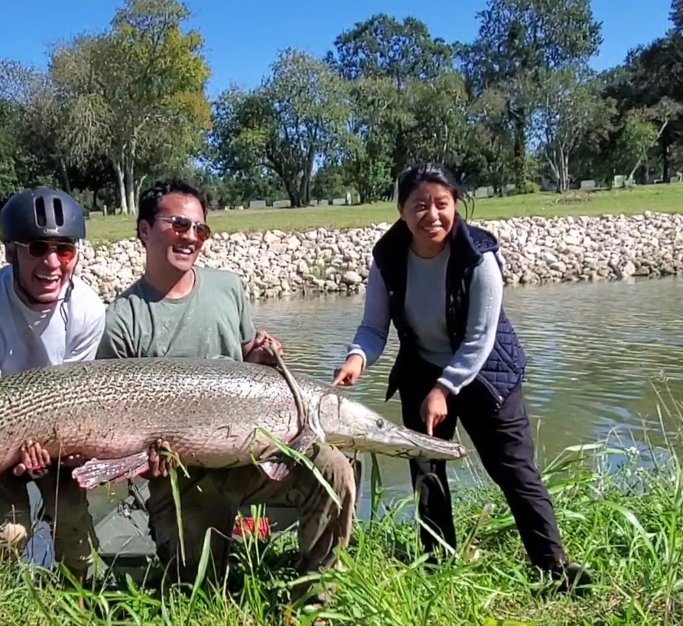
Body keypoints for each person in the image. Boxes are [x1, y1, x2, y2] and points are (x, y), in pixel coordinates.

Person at [333, 163, 591, 592]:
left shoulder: (480, 257)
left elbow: (480, 339)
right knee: (426, 469)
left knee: (513, 469)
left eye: (441, 203)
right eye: (419, 205)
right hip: (421, 369)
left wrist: (444, 388)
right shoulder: (387, 259)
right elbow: (374, 328)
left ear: (456, 205)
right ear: (401, 211)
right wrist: (358, 358)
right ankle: (437, 565)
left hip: (487, 374)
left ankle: (554, 568)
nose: (431, 215)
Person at [97, 178, 358, 588]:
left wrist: (261, 355)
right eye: (178, 225)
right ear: (144, 230)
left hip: (249, 456)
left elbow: (244, 362)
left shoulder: (228, 288)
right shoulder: (122, 320)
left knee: (334, 469)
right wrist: (144, 456)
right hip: (182, 476)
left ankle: (318, 595)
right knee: (200, 586)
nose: (191, 237)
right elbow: (111, 422)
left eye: (200, 229)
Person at [0, 185, 106, 581]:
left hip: (59, 429)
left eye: (64, 250)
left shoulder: (87, 309)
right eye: (37, 248)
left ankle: (78, 603)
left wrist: (72, 449)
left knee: (75, 533)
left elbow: (76, 395)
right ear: (9, 251)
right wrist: (17, 455)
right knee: (11, 531)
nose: (52, 263)